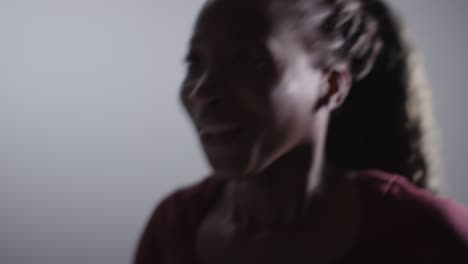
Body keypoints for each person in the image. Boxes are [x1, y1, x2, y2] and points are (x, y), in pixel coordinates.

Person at [134, 0, 468, 263]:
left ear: (332, 85)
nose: (204, 92)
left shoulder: (425, 234)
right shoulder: (172, 232)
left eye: (249, 60)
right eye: (195, 64)